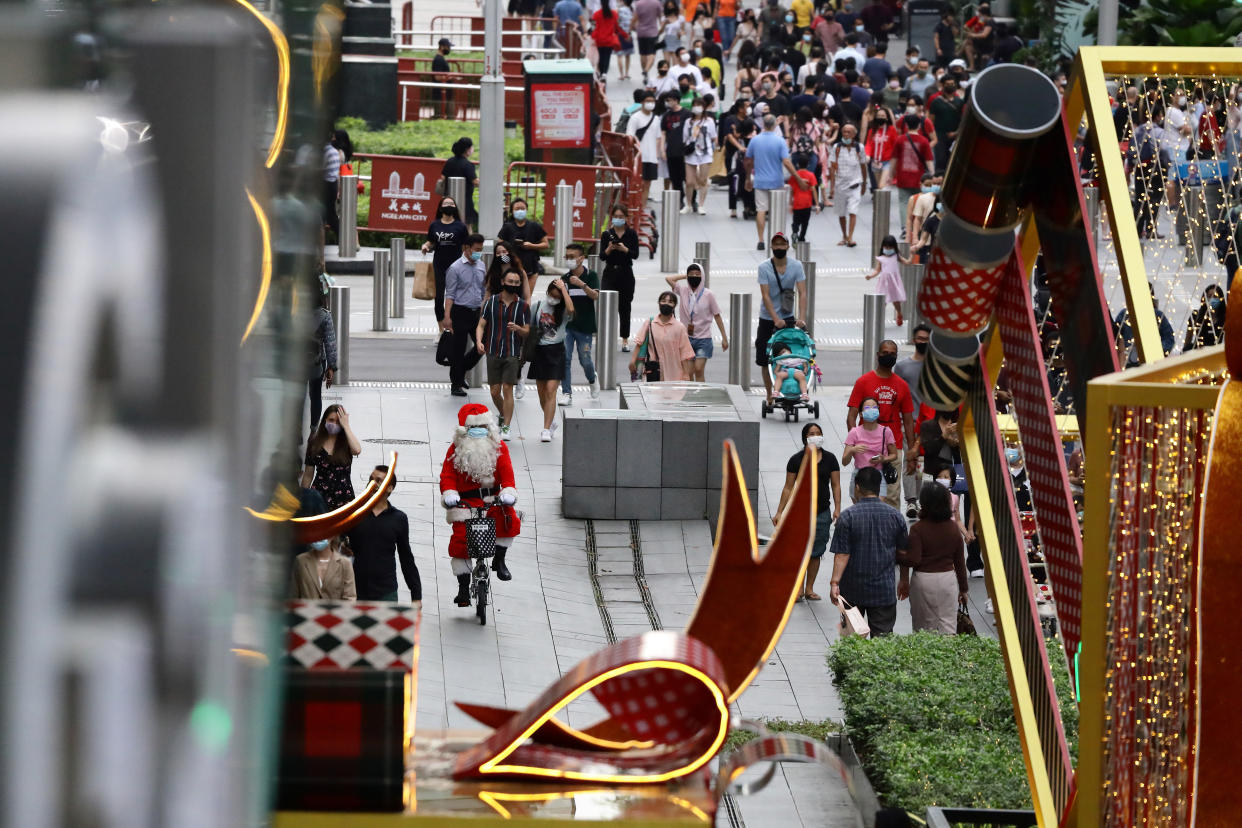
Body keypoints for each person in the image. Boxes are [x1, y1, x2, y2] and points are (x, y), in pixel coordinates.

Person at [439, 404, 522, 603]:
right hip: (464, 501)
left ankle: (499, 560)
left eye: (484, 426)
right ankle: (463, 588)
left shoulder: (499, 447)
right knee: (461, 540)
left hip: (492, 498)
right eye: (474, 428)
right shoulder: (455, 449)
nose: (479, 431)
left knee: (508, 518)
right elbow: (447, 475)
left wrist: (508, 491)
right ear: (463, 430)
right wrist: (449, 493)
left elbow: (507, 473)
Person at [828, 467, 909, 636]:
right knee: (883, 641)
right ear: (880, 487)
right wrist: (904, 580)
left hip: (852, 590)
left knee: (851, 641)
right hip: (883, 590)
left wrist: (835, 583)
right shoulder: (895, 516)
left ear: (857, 487)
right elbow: (903, 553)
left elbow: (842, 554)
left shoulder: (847, 516)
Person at [775, 423, 841, 600]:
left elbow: (836, 485)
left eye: (818, 433)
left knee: (816, 552)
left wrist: (837, 508)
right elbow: (788, 488)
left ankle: (809, 588)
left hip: (822, 513)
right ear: (805, 437)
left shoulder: (830, 459)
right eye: (812, 433)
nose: (815, 436)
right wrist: (780, 511)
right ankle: (798, 589)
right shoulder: (796, 460)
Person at [847, 340, 915, 509]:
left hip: (893, 449)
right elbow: (851, 416)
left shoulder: (902, 385)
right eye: (885, 353)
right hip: (866, 449)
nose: (888, 356)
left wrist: (911, 452)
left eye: (893, 354)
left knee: (891, 495)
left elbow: (908, 421)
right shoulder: (863, 382)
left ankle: (890, 531)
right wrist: (853, 443)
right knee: (862, 493)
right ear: (877, 355)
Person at [898, 482, 968, 634]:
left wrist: (897, 554)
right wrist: (963, 589)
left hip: (923, 580)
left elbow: (913, 559)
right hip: (947, 579)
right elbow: (960, 562)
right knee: (948, 625)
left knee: (923, 627)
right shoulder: (953, 528)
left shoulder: (918, 529)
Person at [349, 464, 422, 602]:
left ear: (390, 488)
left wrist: (416, 596)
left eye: (378, 480)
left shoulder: (398, 518)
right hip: (354, 591)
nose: (373, 483)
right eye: (371, 479)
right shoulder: (354, 513)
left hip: (386, 593)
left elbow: (406, 557)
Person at [476, 268, 531, 440]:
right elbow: (481, 325)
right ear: (502, 282)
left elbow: (528, 332)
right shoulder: (491, 302)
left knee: (508, 389)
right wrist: (479, 341)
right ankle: (503, 414)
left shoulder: (523, 306)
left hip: (512, 352)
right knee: (494, 391)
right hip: (492, 350)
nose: (513, 285)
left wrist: (519, 329)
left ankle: (506, 426)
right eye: (510, 281)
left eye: (516, 282)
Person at [754, 232, 807, 402]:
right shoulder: (764, 267)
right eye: (775, 245)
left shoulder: (796, 266)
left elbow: (802, 292)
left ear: (787, 246)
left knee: (789, 355)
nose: (778, 248)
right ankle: (770, 394)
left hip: (788, 316)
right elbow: (765, 295)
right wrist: (775, 318)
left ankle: (790, 389)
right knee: (764, 357)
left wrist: (802, 318)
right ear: (771, 247)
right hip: (767, 317)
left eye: (781, 244)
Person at [745, 114, 810, 249]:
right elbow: (786, 161)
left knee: (761, 210)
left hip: (760, 180)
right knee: (778, 211)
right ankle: (777, 237)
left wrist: (747, 178)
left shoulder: (755, 140)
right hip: (776, 181)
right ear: (775, 125)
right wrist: (798, 178)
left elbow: (749, 160)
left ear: (763, 124)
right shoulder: (780, 141)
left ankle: (761, 240)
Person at [527, 279, 576, 441]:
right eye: (551, 295)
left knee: (550, 390)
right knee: (541, 393)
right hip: (540, 351)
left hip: (556, 352)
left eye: (557, 296)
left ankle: (546, 429)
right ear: (547, 292)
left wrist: (563, 289)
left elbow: (571, 308)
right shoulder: (538, 305)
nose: (553, 299)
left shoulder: (563, 310)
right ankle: (551, 421)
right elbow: (529, 326)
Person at [666, 263, 728, 381]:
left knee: (698, 369)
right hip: (686, 338)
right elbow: (668, 279)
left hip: (703, 339)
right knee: (689, 373)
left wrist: (724, 338)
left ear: (702, 276)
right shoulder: (683, 290)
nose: (694, 276)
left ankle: (701, 394)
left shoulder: (708, 294)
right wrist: (685, 276)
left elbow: (717, 315)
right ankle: (691, 395)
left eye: (697, 274)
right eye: (692, 274)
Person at [893, 324, 930, 516]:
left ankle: (923, 499)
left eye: (926, 339)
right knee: (910, 461)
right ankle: (911, 501)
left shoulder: (935, 366)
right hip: (907, 421)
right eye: (920, 338)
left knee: (923, 464)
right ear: (914, 340)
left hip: (929, 423)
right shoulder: (902, 366)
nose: (923, 342)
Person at [559, 243, 601, 405]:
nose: (569, 260)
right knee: (565, 358)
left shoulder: (591, 276)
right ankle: (566, 393)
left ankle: (592, 379)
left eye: (572, 257)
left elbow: (595, 296)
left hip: (585, 326)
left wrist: (581, 285)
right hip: (568, 326)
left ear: (581, 258)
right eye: (567, 257)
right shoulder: (564, 279)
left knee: (585, 360)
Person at [302, 404, 362, 509]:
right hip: (319, 497)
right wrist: (302, 498)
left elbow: (357, 450)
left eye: (338, 421)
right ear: (325, 420)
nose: (334, 424)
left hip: (344, 498)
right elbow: (308, 475)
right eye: (331, 420)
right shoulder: (315, 443)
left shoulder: (346, 442)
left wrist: (346, 426)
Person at [629, 291, 696, 381]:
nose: (666, 304)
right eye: (663, 301)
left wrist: (686, 374)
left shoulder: (680, 327)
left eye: (670, 302)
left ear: (674, 305)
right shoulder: (650, 323)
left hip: (674, 374)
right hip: (654, 372)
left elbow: (684, 353)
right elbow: (639, 343)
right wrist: (633, 362)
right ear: (659, 303)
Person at [421, 197, 469, 323]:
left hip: (456, 267)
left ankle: (452, 326)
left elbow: (466, 246)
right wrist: (426, 246)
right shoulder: (434, 225)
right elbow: (431, 241)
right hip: (439, 265)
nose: (449, 206)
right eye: (446, 203)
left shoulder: (460, 226)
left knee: (455, 297)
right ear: (441, 207)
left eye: (452, 204)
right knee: (438, 298)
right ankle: (441, 328)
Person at [600, 204, 640, 351]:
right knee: (607, 306)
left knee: (625, 308)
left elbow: (635, 254)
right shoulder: (607, 234)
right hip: (610, 273)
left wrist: (625, 249)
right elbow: (602, 256)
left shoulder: (631, 234)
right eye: (615, 217)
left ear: (626, 218)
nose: (618, 219)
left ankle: (624, 339)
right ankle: (607, 337)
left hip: (626, 274)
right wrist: (610, 248)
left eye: (621, 217)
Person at [842, 394, 898, 490]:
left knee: (878, 503)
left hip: (878, 474)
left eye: (875, 407)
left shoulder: (886, 431)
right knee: (859, 503)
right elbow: (844, 462)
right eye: (867, 408)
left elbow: (894, 455)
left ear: (878, 412)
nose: (871, 410)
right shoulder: (854, 432)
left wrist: (883, 459)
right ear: (860, 414)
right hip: (860, 474)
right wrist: (852, 450)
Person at [1113, 282, 1175, 366]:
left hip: (1150, 362)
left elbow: (1169, 339)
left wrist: (1155, 351)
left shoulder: (1158, 315)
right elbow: (1115, 337)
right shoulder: (1124, 315)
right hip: (1127, 361)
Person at [307, 272, 338, 432]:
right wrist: (331, 367)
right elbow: (330, 343)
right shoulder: (324, 316)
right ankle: (313, 428)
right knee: (315, 395)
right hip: (317, 362)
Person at [829, 123, 866, 246]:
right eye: (844, 131)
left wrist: (864, 183)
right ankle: (844, 236)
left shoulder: (859, 148)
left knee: (852, 211)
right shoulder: (836, 148)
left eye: (849, 132)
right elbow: (832, 167)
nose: (846, 134)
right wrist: (832, 187)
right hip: (840, 185)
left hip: (855, 184)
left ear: (854, 134)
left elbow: (863, 165)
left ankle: (850, 237)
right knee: (841, 213)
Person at [496, 198, 549, 280]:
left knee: (527, 293)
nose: (520, 211)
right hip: (512, 266)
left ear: (526, 210)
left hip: (531, 265)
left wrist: (532, 246)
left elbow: (545, 244)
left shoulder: (534, 226)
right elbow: (500, 244)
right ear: (512, 211)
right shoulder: (507, 227)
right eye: (517, 209)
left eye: (522, 208)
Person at [290, 535, 357, 600]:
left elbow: (350, 599)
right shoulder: (301, 561)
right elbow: (294, 597)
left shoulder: (345, 564)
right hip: (305, 611)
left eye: (324, 531)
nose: (319, 535)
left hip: (336, 611)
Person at [865, 233, 909, 327]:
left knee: (896, 301)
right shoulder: (881, 258)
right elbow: (877, 270)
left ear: (894, 247)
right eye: (886, 247)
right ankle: (878, 319)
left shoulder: (896, 256)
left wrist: (912, 255)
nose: (888, 249)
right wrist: (871, 276)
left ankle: (899, 313)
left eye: (890, 247)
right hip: (884, 283)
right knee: (882, 301)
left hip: (893, 282)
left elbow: (907, 262)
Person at [683, 97, 717, 214]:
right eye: (695, 105)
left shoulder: (709, 121)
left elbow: (713, 137)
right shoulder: (688, 122)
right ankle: (688, 204)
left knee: (703, 180)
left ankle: (701, 204)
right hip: (691, 153)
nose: (697, 108)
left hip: (705, 153)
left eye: (699, 105)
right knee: (689, 181)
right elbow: (685, 138)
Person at [892, 114, 935, 207]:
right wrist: (932, 175)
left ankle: (905, 221)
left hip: (902, 177)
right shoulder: (924, 141)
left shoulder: (899, 140)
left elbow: (894, 159)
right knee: (918, 203)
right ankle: (916, 220)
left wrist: (890, 175)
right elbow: (929, 160)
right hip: (919, 178)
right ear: (919, 125)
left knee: (904, 202)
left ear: (906, 125)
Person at [627, 91, 662, 205]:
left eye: (652, 101)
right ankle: (636, 206)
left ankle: (642, 207)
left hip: (651, 157)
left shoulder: (656, 119)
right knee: (639, 183)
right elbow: (630, 137)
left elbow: (658, 137)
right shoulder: (635, 118)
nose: (650, 104)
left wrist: (657, 156)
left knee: (647, 184)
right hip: (639, 157)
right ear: (642, 102)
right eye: (648, 101)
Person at [659, 89, 691, 208]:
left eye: (669, 100)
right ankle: (680, 200)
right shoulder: (666, 116)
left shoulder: (686, 114)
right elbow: (663, 133)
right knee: (674, 178)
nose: (667, 103)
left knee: (687, 177)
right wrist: (662, 149)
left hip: (684, 151)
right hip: (671, 150)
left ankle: (691, 199)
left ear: (676, 100)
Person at [439, 137, 479, 228]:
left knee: (449, 224)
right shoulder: (468, 165)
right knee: (467, 226)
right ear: (467, 150)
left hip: (449, 199)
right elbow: (475, 181)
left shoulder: (450, 161)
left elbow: (443, 177)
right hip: (465, 200)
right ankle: (467, 242)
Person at [928, 75, 962, 172]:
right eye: (947, 84)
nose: (950, 86)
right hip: (940, 137)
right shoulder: (936, 102)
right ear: (942, 85)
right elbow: (931, 121)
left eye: (952, 84)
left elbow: (962, 120)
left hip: (955, 137)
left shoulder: (959, 102)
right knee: (941, 161)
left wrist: (956, 133)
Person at [1184, 284, 1227, 350]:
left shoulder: (1226, 318)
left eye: (1215, 297)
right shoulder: (1196, 315)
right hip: (1198, 352)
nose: (1212, 299)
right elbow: (1188, 339)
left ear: (1221, 299)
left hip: (1217, 353)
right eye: (1209, 297)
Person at [788, 152, 817, 241]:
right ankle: (802, 237)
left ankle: (795, 231)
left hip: (797, 203)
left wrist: (790, 203)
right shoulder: (811, 175)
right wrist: (816, 203)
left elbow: (791, 190)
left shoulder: (795, 176)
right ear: (808, 164)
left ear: (797, 164)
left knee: (796, 221)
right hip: (807, 203)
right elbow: (813, 190)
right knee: (805, 222)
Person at [634, 0, 662, 82]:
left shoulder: (638, 3)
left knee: (643, 54)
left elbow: (635, 18)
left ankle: (645, 74)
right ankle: (646, 70)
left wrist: (631, 27)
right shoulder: (656, 3)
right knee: (652, 54)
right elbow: (660, 16)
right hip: (652, 32)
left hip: (641, 32)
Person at [591, 0, 622, 77]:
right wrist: (625, 35)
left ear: (600, 3)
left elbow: (594, 28)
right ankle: (604, 73)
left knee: (600, 57)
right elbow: (617, 27)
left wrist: (591, 38)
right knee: (607, 57)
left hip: (599, 40)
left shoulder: (596, 14)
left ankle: (601, 73)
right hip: (609, 40)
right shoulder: (614, 14)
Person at [322, 137, 341, 242]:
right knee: (330, 214)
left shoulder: (327, 152)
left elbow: (320, 168)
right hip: (332, 184)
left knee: (328, 215)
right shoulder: (334, 151)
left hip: (326, 185)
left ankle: (342, 239)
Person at [431, 38, 454, 118]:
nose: (449, 49)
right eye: (448, 47)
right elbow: (437, 77)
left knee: (445, 115)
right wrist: (450, 77)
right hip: (441, 93)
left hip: (444, 92)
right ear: (442, 47)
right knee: (442, 115)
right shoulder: (438, 60)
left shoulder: (440, 59)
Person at [616, 0, 635, 78]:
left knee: (619, 55)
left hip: (620, 34)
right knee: (628, 55)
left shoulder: (619, 10)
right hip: (629, 34)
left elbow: (617, 22)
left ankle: (621, 75)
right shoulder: (632, 9)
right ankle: (627, 73)